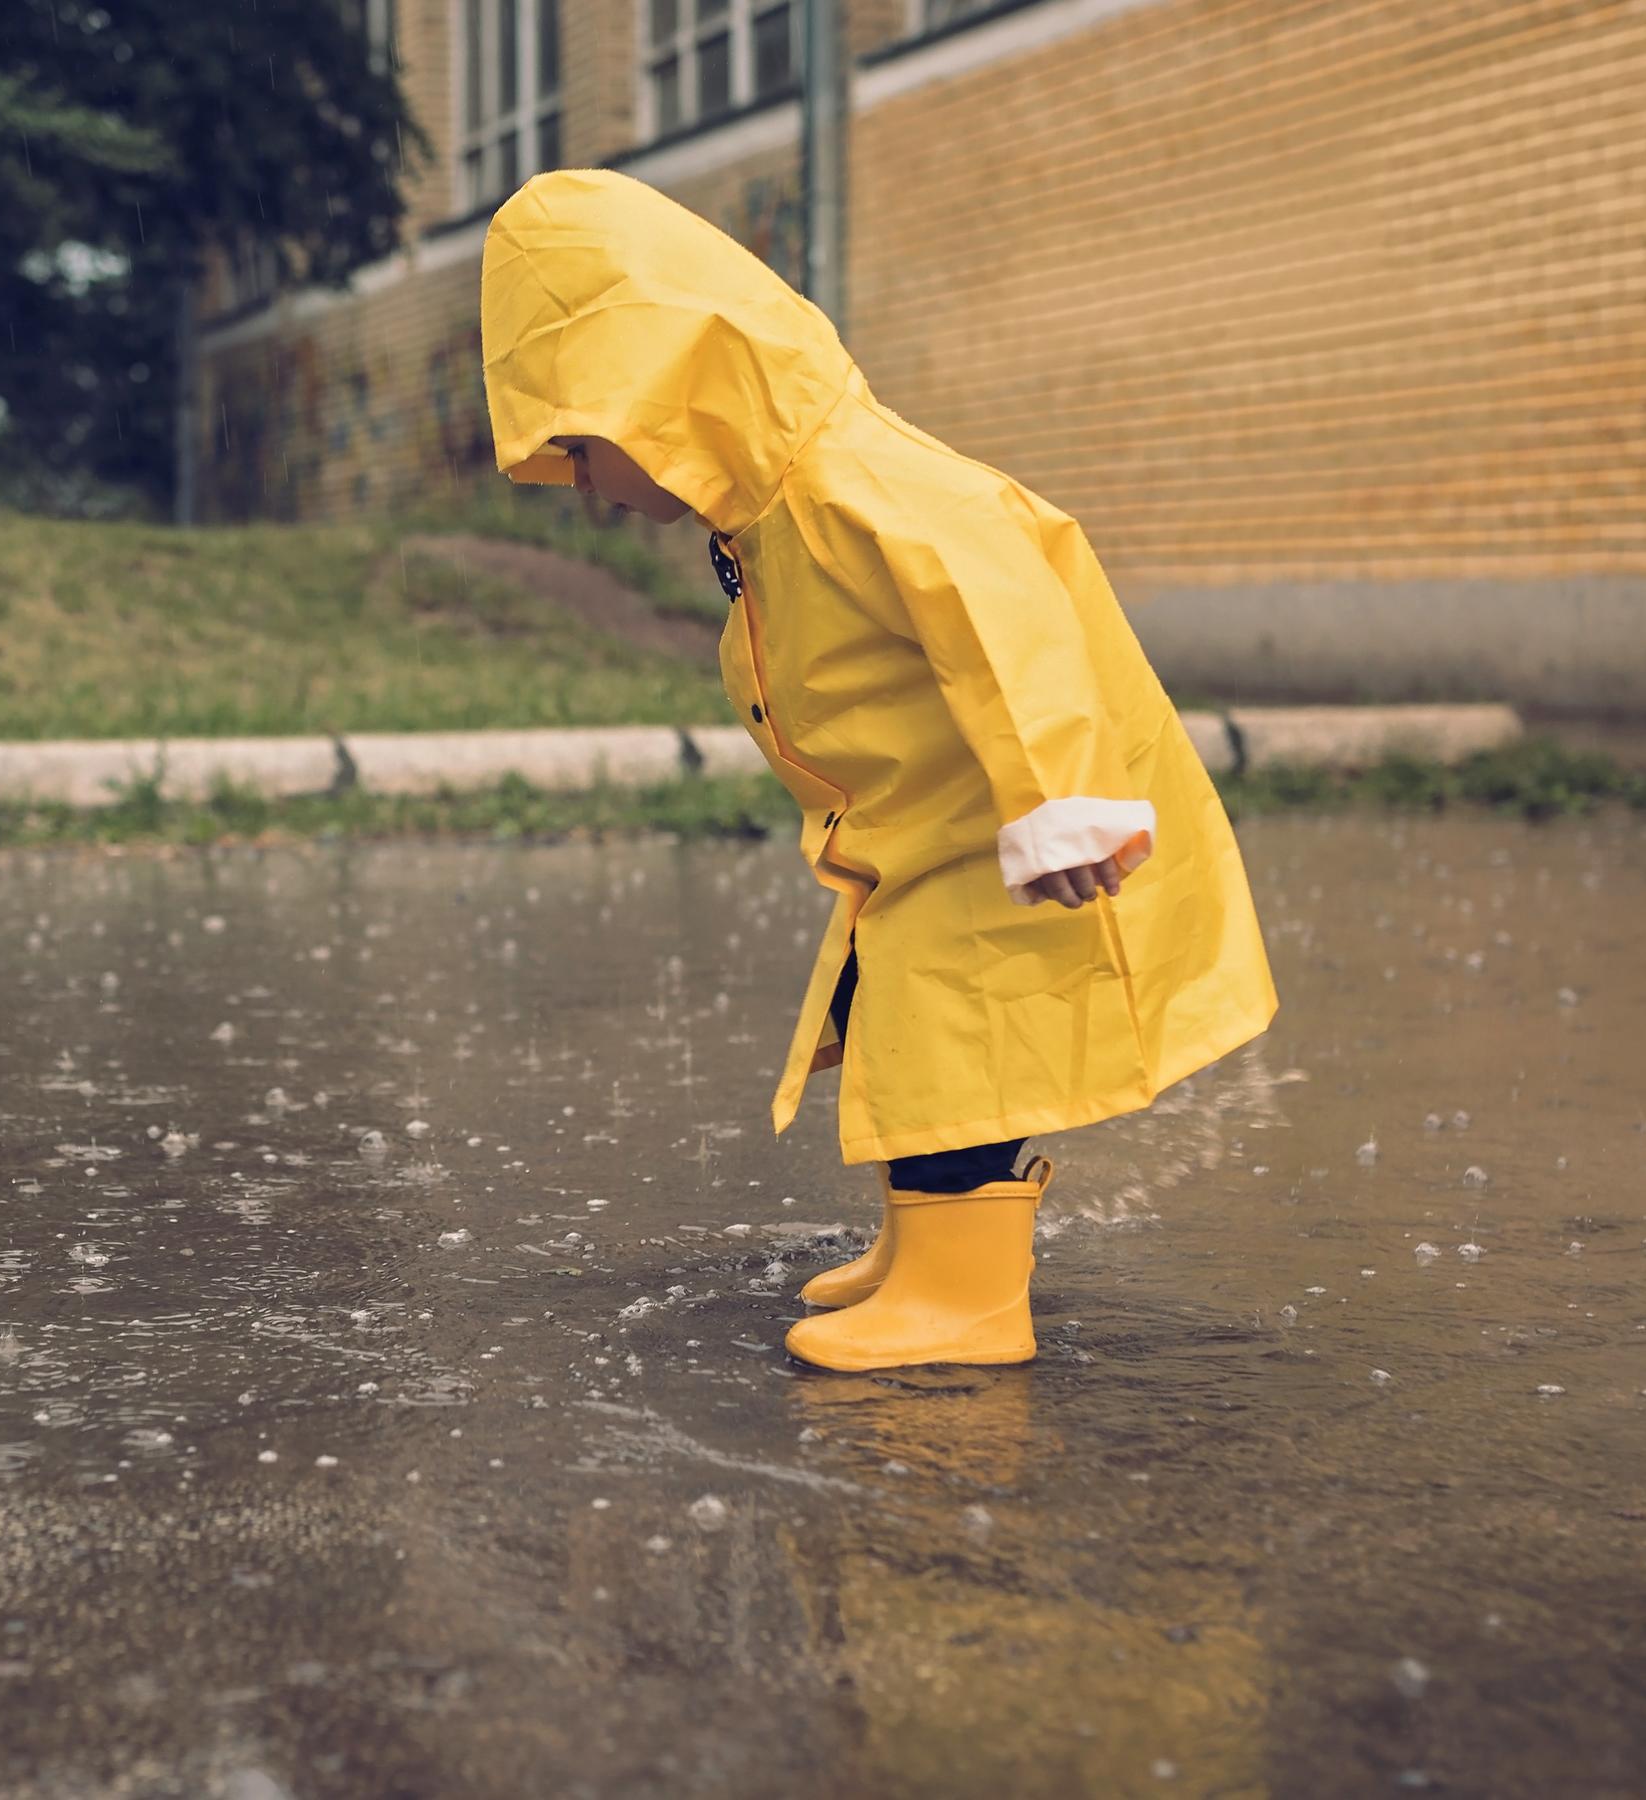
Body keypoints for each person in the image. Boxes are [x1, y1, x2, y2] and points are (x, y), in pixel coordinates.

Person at [477, 169, 1276, 1373]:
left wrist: (1057, 805)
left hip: (988, 837)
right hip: (922, 836)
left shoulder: (850, 484)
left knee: (958, 1053)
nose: (583, 487)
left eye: (582, 446)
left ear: (662, 395)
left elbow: (1005, 625)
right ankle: (927, 1253)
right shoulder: (771, 509)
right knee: (906, 1034)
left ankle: (966, 1301)